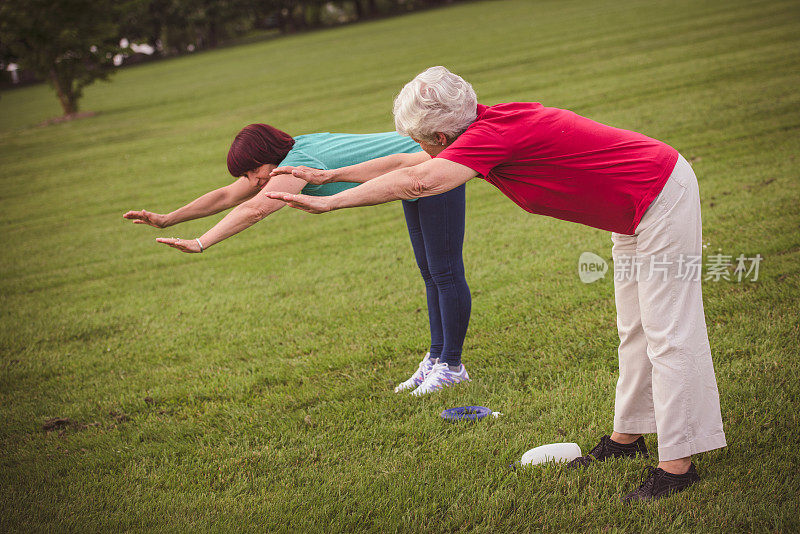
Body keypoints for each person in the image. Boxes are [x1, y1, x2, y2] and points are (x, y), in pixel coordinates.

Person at [264, 66, 726, 502]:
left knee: (668, 333)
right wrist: (331, 175)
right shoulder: (481, 133)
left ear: (442, 137)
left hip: (660, 195)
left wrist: (331, 203)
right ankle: (628, 438)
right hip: (632, 208)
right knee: (636, 329)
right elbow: (407, 161)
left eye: (425, 142)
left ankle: (677, 467)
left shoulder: (494, 134)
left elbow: (419, 180)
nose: (423, 149)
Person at [123, 124, 472, 395]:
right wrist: (168, 218)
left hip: (432, 164)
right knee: (430, 272)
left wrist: (201, 242)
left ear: (267, 158)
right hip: (408, 174)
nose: (251, 181)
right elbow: (228, 195)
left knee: (444, 271)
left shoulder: (298, 164)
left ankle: (452, 367)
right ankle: (438, 357)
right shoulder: (284, 161)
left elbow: (258, 208)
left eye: (251, 172)